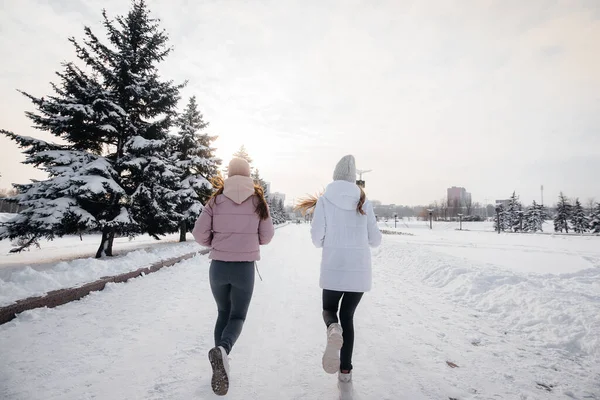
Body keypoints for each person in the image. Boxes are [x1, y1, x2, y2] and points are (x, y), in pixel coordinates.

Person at [296, 155, 382, 385]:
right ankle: (345, 372)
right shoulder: (364, 202)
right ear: (353, 178)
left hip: (334, 268)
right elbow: (375, 240)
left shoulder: (325, 200)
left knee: (329, 309)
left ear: (335, 175)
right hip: (358, 272)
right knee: (349, 317)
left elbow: (316, 238)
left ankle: (333, 329)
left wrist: (328, 241)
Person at [192, 157, 275, 396]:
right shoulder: (258, 201)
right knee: (237, 316)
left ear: (228, 174)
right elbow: (267, 236)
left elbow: (198, 234)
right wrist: (250, 240)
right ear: (249, 175)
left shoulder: (215, 201)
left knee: (222, 313)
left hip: (218, 266)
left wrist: (214, 243)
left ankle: (220, 361)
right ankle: (224, 350)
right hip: (244, 269)